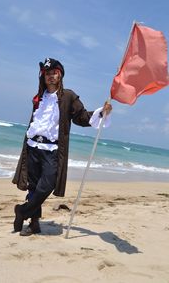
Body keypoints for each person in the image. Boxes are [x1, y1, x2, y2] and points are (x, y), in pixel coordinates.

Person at [12, 57, 112, 236]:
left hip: (52, 150)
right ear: (43, 77)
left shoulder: (68, 96)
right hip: (33, 146)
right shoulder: (39, 97)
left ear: (60, 75)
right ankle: (33, 224)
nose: (50, 77)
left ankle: (23, 210)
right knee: (34, 186)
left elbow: (81, 117)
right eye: (47, 74)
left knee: (48, 184)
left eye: (54, 73)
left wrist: (102, 112)